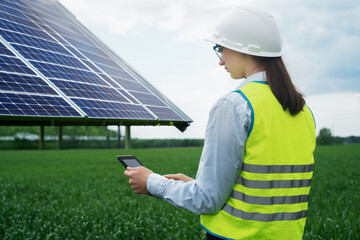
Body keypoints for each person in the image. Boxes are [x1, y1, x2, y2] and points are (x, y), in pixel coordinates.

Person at [124, 5, 316, 240]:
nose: (220, 60)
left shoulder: (235, 105)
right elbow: (265, 194)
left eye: (220, 49)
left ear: (241, 47)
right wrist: (197, 183)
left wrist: (151, 182)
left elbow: (206, 200)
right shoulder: (303, 110)